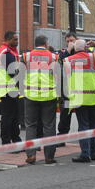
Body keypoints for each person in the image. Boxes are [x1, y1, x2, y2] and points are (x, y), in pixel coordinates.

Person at [64, 39, 95, 163]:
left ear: (75, 49)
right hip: (94, 97)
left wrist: (69, 50)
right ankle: (93, 152)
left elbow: (62, 67)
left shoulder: (69, 60)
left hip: (79, 97)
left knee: (83, 125)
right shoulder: (93, 57)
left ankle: (85, 154)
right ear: (85, 48)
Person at [23, 35, 58, 165]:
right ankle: (49, 156)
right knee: (49, 126)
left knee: (30, 126)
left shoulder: (26, 56)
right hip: (48, 95)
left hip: (31, 95)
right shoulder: (53, 57)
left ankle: (31, 155)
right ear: (46, 43)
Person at [0, 31, 22, 146]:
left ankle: (11, 140)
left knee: (11, 116)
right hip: (9, 89)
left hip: (7, 88)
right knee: (10, 117)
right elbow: (12, 72)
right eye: (15, 39)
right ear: (8, 39)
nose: (17, 42)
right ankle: (9, 141)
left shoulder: (7, 51)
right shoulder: (6, 53)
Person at [57, 32, 78, 147]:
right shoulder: (63, 53)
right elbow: (60, 63)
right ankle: (61, 137)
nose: (70, 43)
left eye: (72, 40)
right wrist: (68, 51)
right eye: (68, 41)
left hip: (80, 89)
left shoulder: (82, 52)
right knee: (65, 116)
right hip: (66, 90)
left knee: (82, 115)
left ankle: (85, 138)